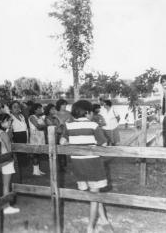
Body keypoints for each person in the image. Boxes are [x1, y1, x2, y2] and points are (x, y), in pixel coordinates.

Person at [60, 100, 111, 233]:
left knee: (94, 192)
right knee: (95, 196)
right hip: (93, 164)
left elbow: (62, 141)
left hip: (78, 165)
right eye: (92, 112)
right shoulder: (93, 125)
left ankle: (104, 219)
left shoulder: (68, 125)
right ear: (88, 112)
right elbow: (104, 144)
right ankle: (90, 228)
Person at [0, 113, 20, 214]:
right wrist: (14, 158)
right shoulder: (3, 134)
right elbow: (9, 149)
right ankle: (6, 206)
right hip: (6, 160)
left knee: (1, 184)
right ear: (1, 122)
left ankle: (1, 204)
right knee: (6, 185)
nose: (10, 122)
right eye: (8, 121)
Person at [9, 101, 28, 181]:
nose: (17, 108)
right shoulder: (10, 117)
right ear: (11, 109)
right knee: (17, 159)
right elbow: (9, 131)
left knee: (22, 159)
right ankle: (17, 178)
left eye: (18, 106)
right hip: (16, 138)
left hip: (24, 137)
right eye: (14, 107)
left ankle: (21, 176)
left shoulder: (22, 116)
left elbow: (25, 128)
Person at [44, 103, 66, 171]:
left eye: (55, 109)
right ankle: (54, 167)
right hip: (52, 138)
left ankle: (61, 167)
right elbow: (54, 128)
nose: (54, 110)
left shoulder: (55, 117)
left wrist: (57, 118)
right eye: (52, 109)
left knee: (60, 153)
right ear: (48, 110)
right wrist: (59, 126)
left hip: (58, 137)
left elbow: (62, 125)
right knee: (53, 154)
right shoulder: (46, 118)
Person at [28, 103, 46, 175]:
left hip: (41, 136)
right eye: (39, 108)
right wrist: (43, 126)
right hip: (35, 137)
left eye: (41, 108)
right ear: (35, 110)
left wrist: (43, 126)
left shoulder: (40, 117)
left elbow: (44, 125)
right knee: (35, 154)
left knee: (39, 154)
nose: (41, 110)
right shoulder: (32, 117)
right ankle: (35, 171)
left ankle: (38, 169)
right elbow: (38, 126)